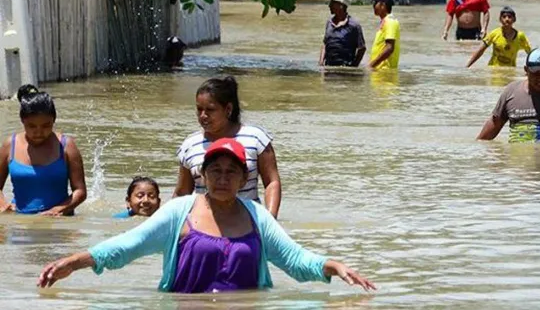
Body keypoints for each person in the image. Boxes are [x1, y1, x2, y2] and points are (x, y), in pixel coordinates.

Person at [37, 138, 376, 294]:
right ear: (203, 175)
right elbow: (126, 246)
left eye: (232, 171)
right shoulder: (178, 212)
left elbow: (295, 260)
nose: (223, 178)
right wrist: (75, 261)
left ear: (244, 179)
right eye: (216, 170)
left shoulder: (258, 217)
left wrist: (332, 266)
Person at [174, 76, 282, 218]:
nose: (203, 115)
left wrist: (270, 220)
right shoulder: (190, 145)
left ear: (228, 109)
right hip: (203, 224)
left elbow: (272, 182)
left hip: (248, 223)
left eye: (210, 110)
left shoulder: (256, 138)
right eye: (199, 109)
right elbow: (182, 193)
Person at [0, 85, 87, 215]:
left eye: (46, 126)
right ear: (22, 121)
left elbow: (80, 191)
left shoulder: (67, 146)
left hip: (59, 221)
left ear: (54, 120)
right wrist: (3, 205)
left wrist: (57, 210)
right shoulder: (10, 145)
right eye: (32, 126)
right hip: (21, 223)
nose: (39, 132)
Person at [466, 6, 531, 68]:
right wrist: (467, 66)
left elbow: (530, 54)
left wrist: (532, 70)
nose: (507, 19)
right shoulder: (494, 33)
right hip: (494, 69)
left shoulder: (520, 36)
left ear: (514, 19)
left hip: (510, 71)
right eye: (504, 17)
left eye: (509, 17)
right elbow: (480, 51)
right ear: (500, 19)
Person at [319, 0, 366, 67]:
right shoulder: (329, 23)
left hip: (345, 67)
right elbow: (325, 44)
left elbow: (362, 48)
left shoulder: (354, 25)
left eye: (332, 3)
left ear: (341, 6)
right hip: (329, 67)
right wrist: (321, 63)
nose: (329, 6)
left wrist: (353, 66)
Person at [368, 0, 400, 70]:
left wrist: (371, 65)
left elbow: (389, 48)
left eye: (376, 3)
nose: (373, 6)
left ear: (383, 5)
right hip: (379, 71)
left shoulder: (390, 22)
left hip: (385, 72)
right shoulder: (385, 22)